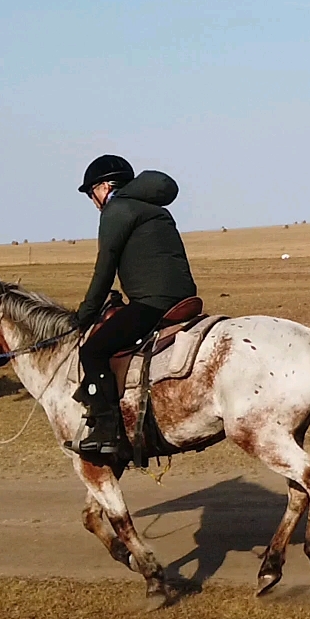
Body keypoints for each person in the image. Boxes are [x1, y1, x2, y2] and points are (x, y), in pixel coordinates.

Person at [70, 154, 199, 463]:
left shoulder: (117, 210)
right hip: (183, 298)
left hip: (152, 304)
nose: (93, 201)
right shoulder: (155, 208)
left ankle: (107, 432)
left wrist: (84, 315)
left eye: (91, 193)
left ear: (103, 187)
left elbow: (105, 269)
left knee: (93, 350)